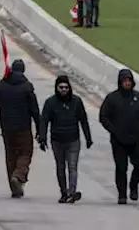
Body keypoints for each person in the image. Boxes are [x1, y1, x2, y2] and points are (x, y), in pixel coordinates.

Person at [99, 68, 139, 204]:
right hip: (118, 140)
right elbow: (103, 116)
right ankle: (122, 194)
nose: (127, 83)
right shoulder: (112, 98)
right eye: (124, 81)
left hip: (136, 139)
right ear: (120, 82)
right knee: (121, 168)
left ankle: (133, 185)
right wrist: (113, 130)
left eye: (129, 81)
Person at [0, 58, 41, 198]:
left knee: (10, 156)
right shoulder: (27, 86)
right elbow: (34, 110)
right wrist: (39, 128)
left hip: (6, 128)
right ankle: (18, 176)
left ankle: (15, 189)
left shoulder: (2, 84)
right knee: (25, 153)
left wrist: (2, 87)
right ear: (23, 70)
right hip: (23, 127)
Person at [39, 74, 93, 203]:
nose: (64, 90)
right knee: (60, 167)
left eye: (66, 87)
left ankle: (72, 192)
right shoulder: (50, 103)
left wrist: (88, 137)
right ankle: (64, 192)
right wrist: (42, 138)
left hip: (73, 140)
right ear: (56, 88)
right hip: (57, 140)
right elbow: (44, 121)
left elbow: (83, 120)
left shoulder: (76, 102)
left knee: (72, 167)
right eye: (61, 87)